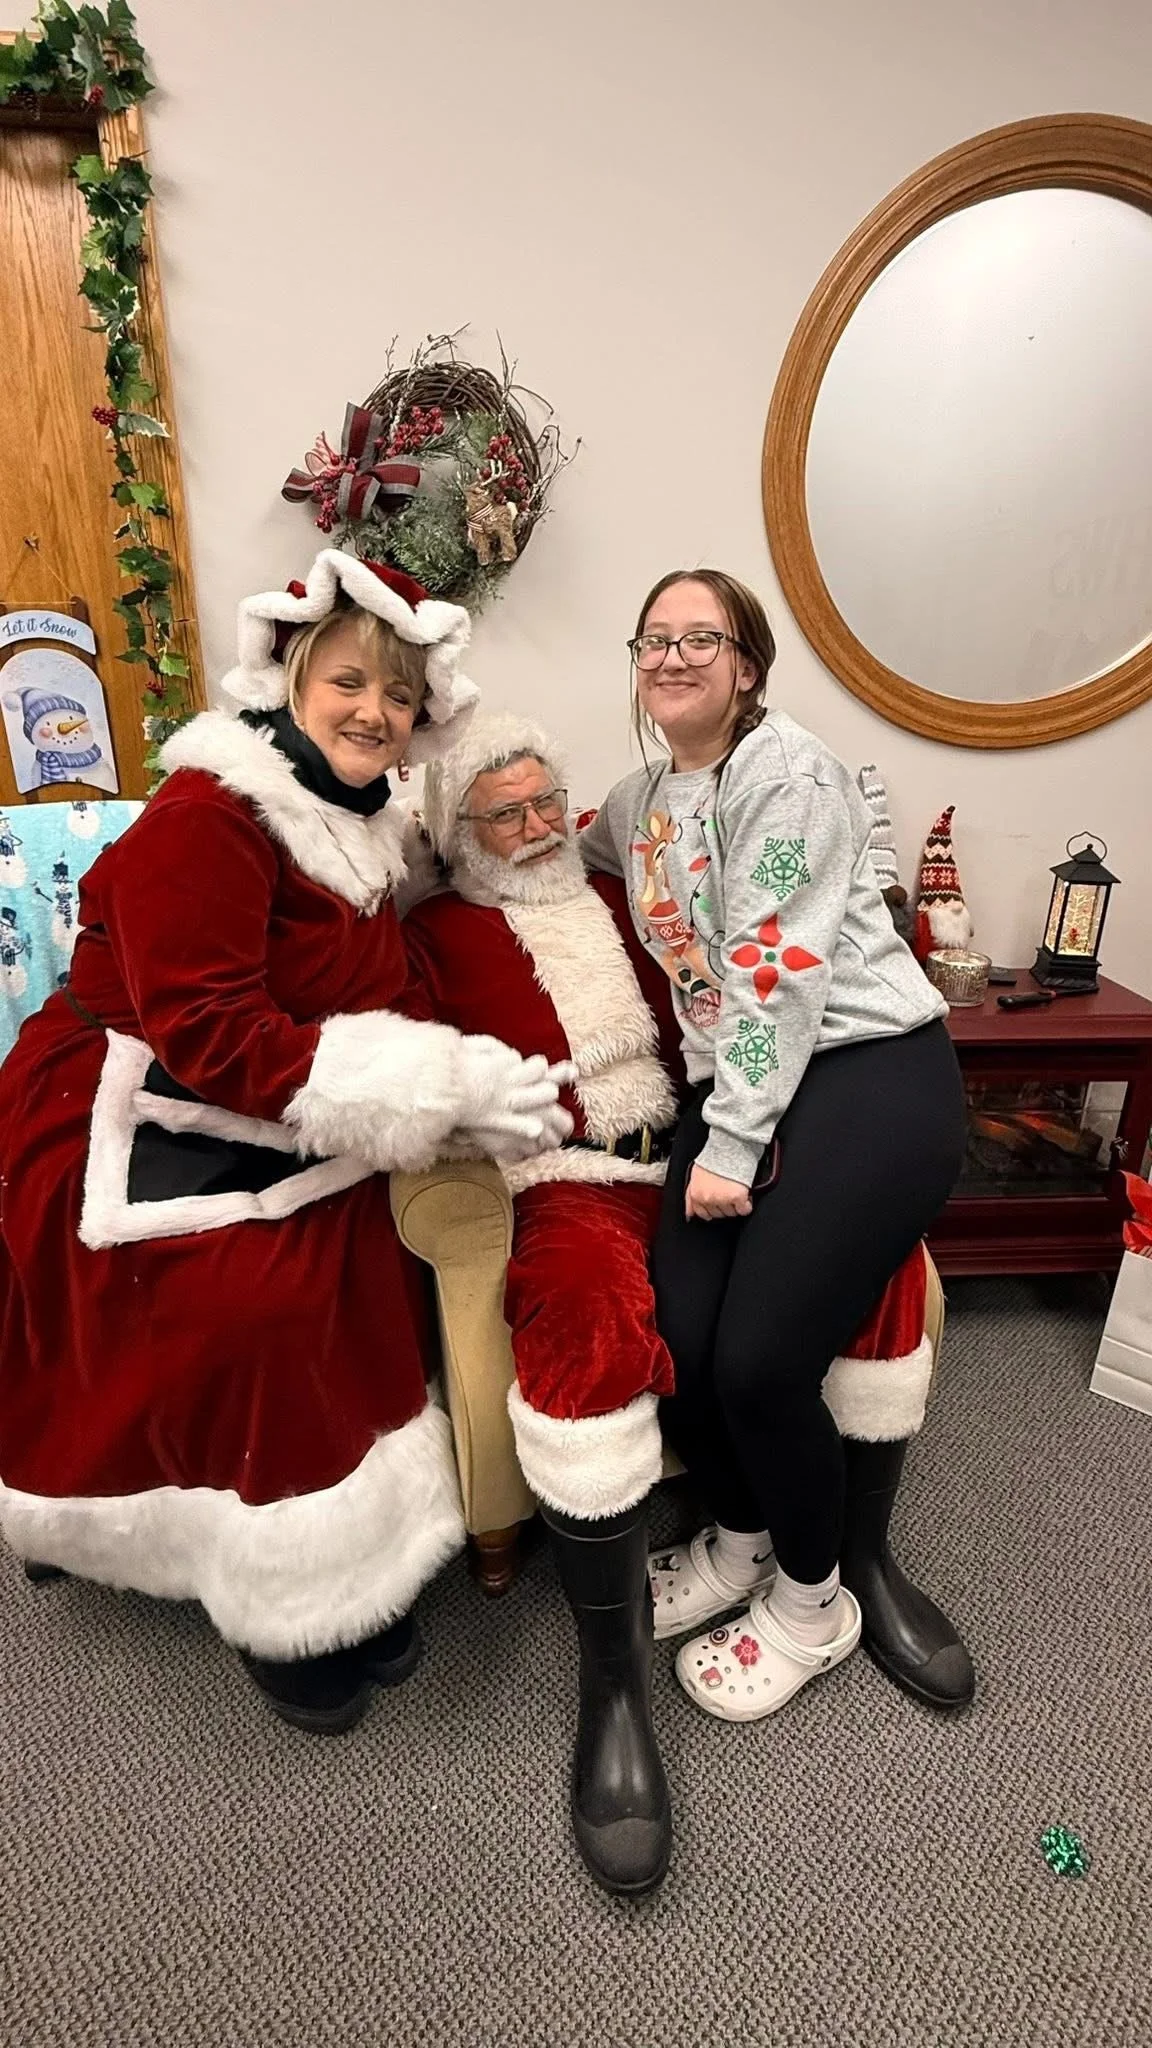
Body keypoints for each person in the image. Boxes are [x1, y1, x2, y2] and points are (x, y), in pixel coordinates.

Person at [0, 548, 571, 1736]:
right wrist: (424, 1080)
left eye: (400, 694)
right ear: (295, 676)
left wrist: (461, 1077)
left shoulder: (372, 822)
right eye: (350, 681)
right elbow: (207, 1029)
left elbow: (380, 980)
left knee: (362, 1254)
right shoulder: (209, 814)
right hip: (135, 1088)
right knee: (253, 1299)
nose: (375, 710)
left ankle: (348, 1560)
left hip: (288, 1096)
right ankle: (278, 1595)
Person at [578, 567, 971, 1723]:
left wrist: (731, 1146)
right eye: (653, 639)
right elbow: (554, 840)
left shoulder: (787, 774)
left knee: (757, 1359)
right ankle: (744, 1532)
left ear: (747, 664)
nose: (673, 656)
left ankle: (815, 1602)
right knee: (683, 1336)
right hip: (745, 1084)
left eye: (703, 637)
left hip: (865, 1071)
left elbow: (774, 972)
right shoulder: (640, 795)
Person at [404, 712, 682, 1896]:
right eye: (503, 813)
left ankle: (840, 1564)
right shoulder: (434, 934)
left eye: (545, 804)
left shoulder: (628, 899)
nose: (533, 830)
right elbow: (408, 1071)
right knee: (578, 1318)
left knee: (854, 1253)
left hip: (696, 1149)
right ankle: (612, 1677)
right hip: (566, 1178)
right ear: (459, 832)